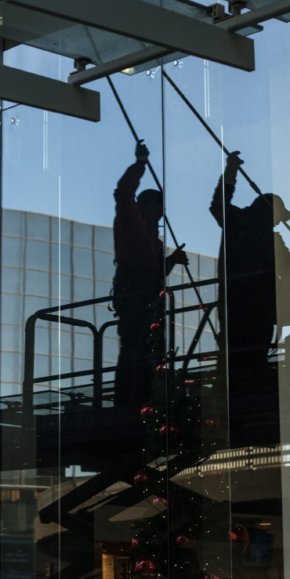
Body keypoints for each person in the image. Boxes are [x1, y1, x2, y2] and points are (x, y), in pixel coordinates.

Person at [210, 151, 290, 387]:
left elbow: (289, 267)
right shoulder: (238, 223)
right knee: (243, 354)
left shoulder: (255, 232)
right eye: (278, 217)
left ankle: (239, 386)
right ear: (267, 211)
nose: (278, 222)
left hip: (248, 308)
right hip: (247, 308)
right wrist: (231, 172)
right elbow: (218, 205)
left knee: (243, 354)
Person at [112, 142, 187, 410]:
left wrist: (172, 262)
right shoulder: (132, 221)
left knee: (145, 344)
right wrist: (140, 164)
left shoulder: (152, 237)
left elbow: (155, 271)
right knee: (136, 345)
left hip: (141, 290)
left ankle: (139, 395)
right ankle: (130, 399)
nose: (161, 214)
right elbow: (123, 193)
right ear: (148, 206)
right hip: (133, 290)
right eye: (159, 208)